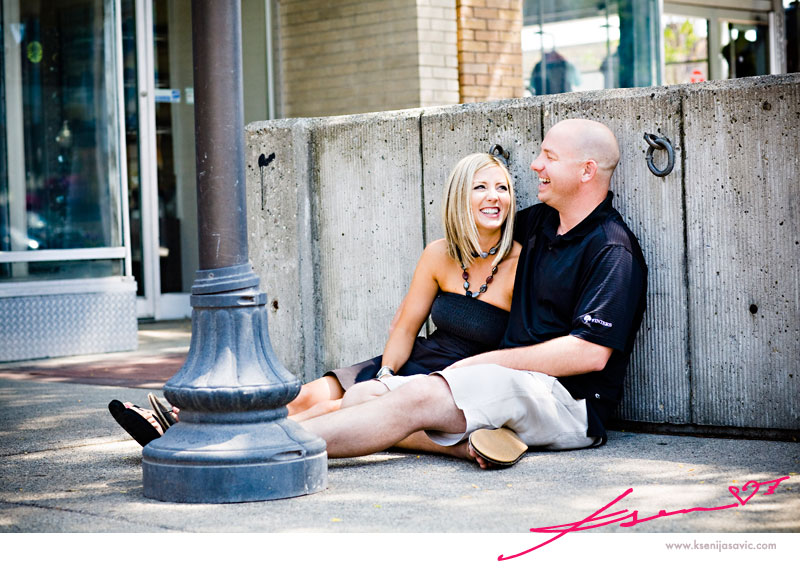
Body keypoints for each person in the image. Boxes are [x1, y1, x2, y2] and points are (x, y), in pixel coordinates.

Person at [300, 118, 648, 469]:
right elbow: (479, 233)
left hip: (566, 400)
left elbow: (589, 354)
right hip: (510, 380)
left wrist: (480, 363)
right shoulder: (540, 223)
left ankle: (282, 447)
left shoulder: (611, 249)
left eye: (549, 156)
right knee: (363, 394)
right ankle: (466, 444)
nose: (535, 165)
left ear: (587, 171)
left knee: (419, 396)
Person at [108, 153, 521, 445]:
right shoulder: (439, 254)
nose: (494, 196)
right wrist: (385, 373)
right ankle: (187, 422)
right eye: (480, 187)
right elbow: (405, 326)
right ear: (459, 198)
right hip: (405, 363)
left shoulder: (521, 264)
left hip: (444, 382)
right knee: (305, 395)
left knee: (331, 413)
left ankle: (219, 441)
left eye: (502, 187)